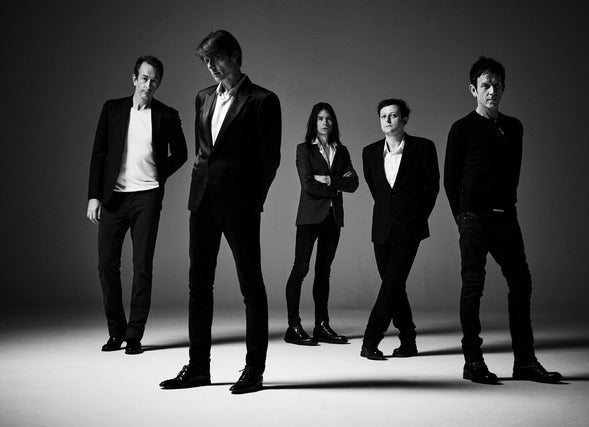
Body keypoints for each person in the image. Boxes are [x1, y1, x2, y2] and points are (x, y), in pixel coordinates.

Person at [160, 30, 281, 394]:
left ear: (235, 56)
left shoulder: (263, 100)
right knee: (198, 286)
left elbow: (269, 161)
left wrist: (252, 201)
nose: (210, 66)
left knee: (251, 287)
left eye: (215, 58)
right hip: (202, 202)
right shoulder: (203, 96)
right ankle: (199, 368)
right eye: (205, 61)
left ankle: (254, 370)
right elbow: (204, 151)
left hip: (240, 205)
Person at [444, 56, 563, 383]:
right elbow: (450, 180)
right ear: (473, 90)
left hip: (505, 217)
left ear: (504, 88)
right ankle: (473, 362)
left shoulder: (514, 127)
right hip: (473, 218)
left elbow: (514, 173)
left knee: (521, 283)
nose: (492, 91)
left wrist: (508, 207)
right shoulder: (462, 128)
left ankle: (524, 362)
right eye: (485, 85)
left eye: (497, 85)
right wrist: (462, 217)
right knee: (473, 287)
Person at [87, 55, 187, 355]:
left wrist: (158, 175)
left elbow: (181, 153)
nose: (148, 84)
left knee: (142, 266)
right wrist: (93, 196)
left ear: (159, 83)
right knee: (106, 264)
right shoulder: (112, 109)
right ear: (134, 79)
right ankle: (116, 331)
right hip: (114, 198)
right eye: (144, 78)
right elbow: (99, 154)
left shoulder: (167, 115)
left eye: (154, 80)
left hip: (147, 197)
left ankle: (134, 334)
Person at [360, 99, 439, 360]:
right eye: (383, 116)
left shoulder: (423, 148)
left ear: (404, 119)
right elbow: (377, 191)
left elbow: (432, 189)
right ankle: (408, 341)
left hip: (409, 230)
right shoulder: (369, 152)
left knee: (390, 286)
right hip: (381, 229)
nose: (387, 120)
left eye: (393, 115)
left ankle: (370, 341)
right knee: (394, 287)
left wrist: (416, 219)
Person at [284, 103, 359, 346]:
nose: (324, 122)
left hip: (333, 218)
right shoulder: (304, 149)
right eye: (320, 118)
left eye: (328, 118)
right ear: (313, 122)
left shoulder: (342, 151)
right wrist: (336, 186)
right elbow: (308, 185)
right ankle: (293, 326)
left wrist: (327, 179)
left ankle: (322, 325)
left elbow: (354, 183)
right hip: (309, 217)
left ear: (333, 122)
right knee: (300, 269)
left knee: (323, 272)